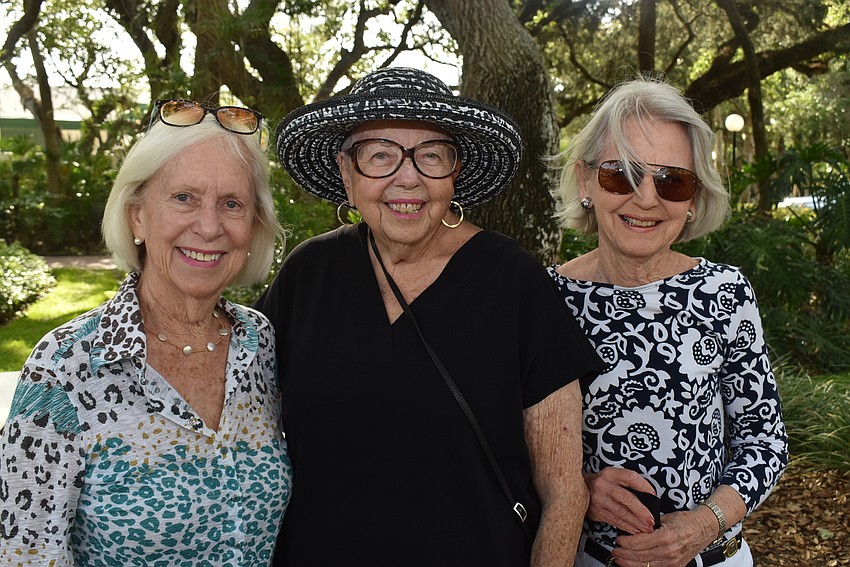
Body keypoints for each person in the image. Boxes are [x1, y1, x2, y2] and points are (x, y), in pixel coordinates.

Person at [254, 67, 603, 567]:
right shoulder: (309, 273)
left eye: (431, 156)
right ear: (347, 175)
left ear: (454, 172)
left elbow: (565, 491)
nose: (408, 177)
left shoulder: (513, 282)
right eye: (380, 155)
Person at [0, 99, 291, 566]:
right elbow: (25, 553)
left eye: (232, 204)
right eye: (184, 198)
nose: (210, 225)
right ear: (137, 215)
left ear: (253, 225)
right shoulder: (65, 367)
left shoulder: (260, 344)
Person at [547, 77, 788, 567]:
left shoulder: (723, 293)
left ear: (694, 197)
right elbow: (508, 445)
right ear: (587, 180)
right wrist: (580, 486)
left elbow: (765, 439)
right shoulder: (546, 299)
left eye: (672, 180)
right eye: (622, 174)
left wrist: (700, 526)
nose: (646, 199)